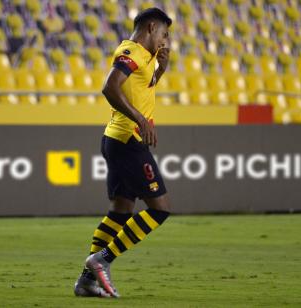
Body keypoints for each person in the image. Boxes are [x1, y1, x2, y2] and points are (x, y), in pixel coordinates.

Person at [73, 7, 173, 298]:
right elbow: (110, 88)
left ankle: (86, 282)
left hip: (116, 140)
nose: (165, 41)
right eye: (164, 34)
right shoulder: (131, 51)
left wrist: (161, 72)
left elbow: (138, 88)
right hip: (128, 140)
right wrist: (140, 119)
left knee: (120, 211)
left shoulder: (146, 57)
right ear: (151, 27)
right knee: (160, 208)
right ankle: (101, 260)